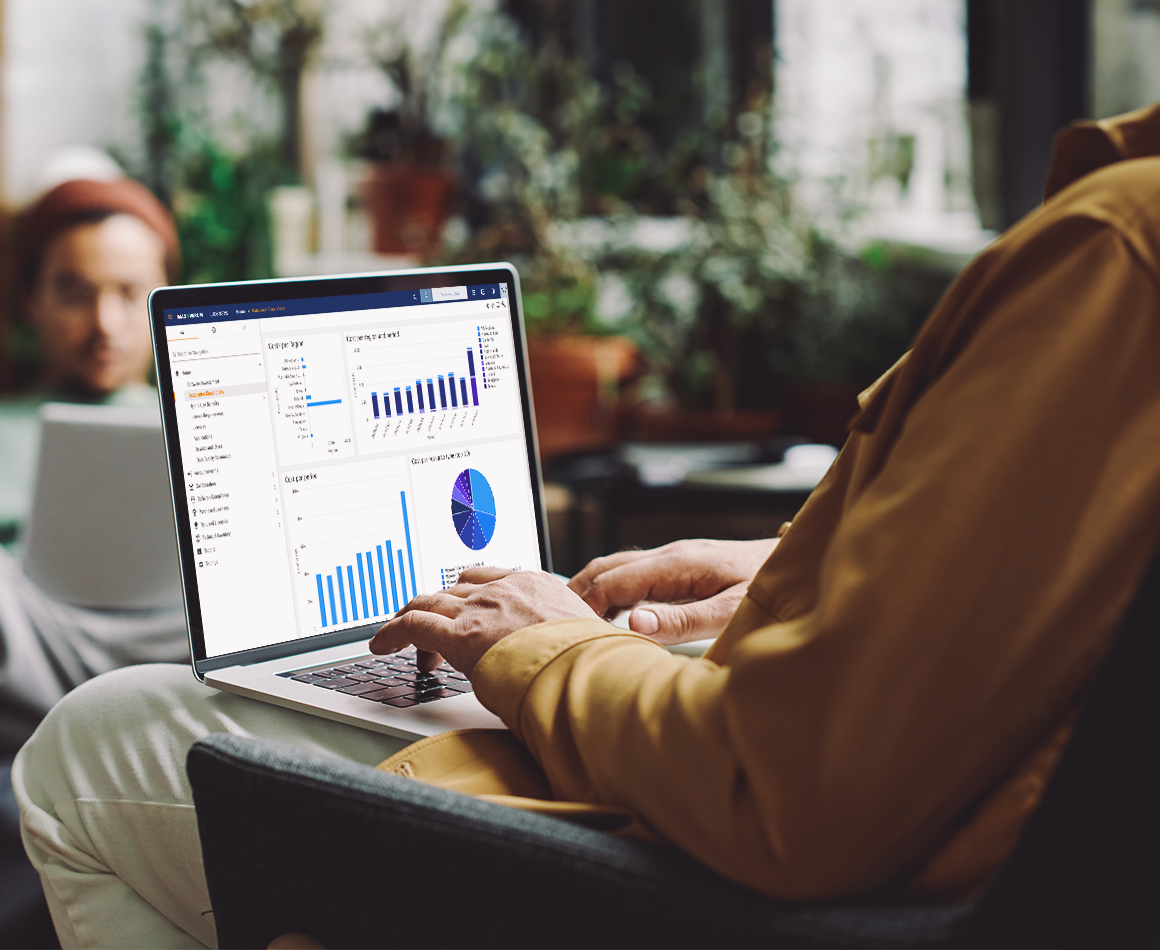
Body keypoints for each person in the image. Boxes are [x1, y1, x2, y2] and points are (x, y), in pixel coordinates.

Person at [13, 104, 1160, 950]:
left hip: (739, 884)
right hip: (878, 821)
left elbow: (789, 797)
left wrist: (540, 646)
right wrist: (793, 573)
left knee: (87, 742)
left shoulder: (1116, 247)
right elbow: (1026, 592)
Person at [0, 176, 189, 751]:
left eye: (130, 293)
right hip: (33, 647)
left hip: (175, 638)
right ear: (32, 298)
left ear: (163, 294)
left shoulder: (201, 423)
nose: (105, 324)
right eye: (75, 293)